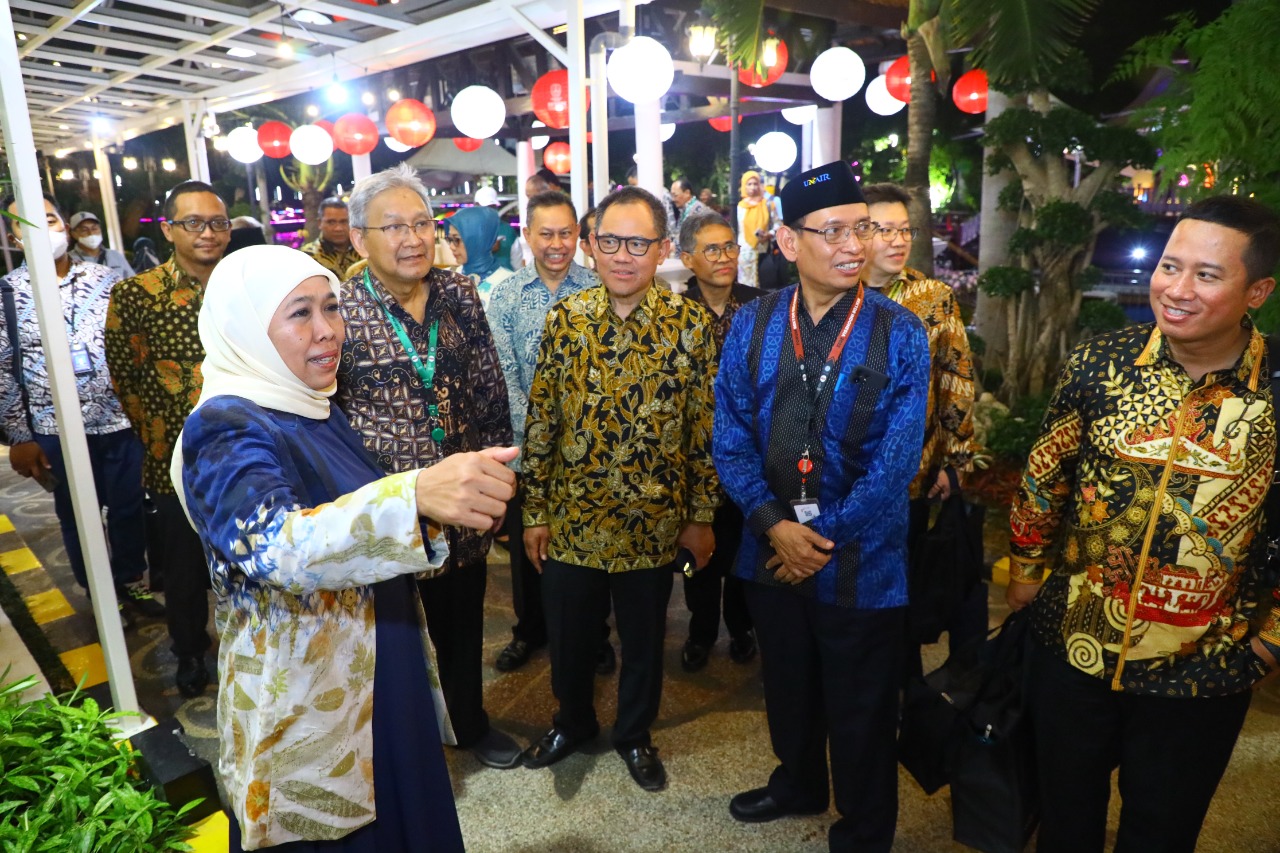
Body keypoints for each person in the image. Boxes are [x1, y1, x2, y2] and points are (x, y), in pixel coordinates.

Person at [174, 244, 518, 851]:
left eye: (331, 307)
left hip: (376, 661)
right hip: (307, 692)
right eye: (300, 313)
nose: (328, 329)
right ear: (244, 327)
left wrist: (426, 503)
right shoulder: (226, 426)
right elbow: (276, 547)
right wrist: (413, 494)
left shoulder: (310, 405)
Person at [1007, 194, 1280, 853]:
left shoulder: (1274, 387)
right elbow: (1046, 472)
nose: (1177, 290)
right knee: (1061, 820)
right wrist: (1027, 570)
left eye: (1207, 275)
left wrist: (1271, 642)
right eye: (1169, 266)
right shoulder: (1100, 362)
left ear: (1257, 291)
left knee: (1162, 832)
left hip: (1205, 666)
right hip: (1073, 647)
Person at [713, 161, 928, 852]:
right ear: (788, 241)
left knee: (863, 707)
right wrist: (773, 524)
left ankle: (864, 830)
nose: (853, 245)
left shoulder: (901, 331)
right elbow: (729, 434)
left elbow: (897, 463)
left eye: (861, 228)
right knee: (788, 685)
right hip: (770, 547)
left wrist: (818, 539)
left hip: (863, 558)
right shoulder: (752, 322)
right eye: (832, 231)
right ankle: (798, 782)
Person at [519, 186, 719, 792]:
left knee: (645, 640)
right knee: (570, 638)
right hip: (572, 516)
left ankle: (634, 734)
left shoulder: (691, 326)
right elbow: (543, 419)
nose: (623, 256)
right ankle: (572, 722)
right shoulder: (566, 319)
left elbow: (705, 430)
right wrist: (534, 510)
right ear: (592, 245)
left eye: (638, 243)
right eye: (610, 241)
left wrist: (700, 516)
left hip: (653, 520)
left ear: (662, 249)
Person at [336, 163, 523, 770]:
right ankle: (399, 745)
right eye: (394, 227)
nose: (413, 238)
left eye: (421, 224)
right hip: (387, 506)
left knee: (463, 621)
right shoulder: (337, 311)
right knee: (389, 633)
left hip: (462, 502)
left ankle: (469, 724)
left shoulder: (458, 293)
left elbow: (490, 387)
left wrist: (499, 483)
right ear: (360, 239)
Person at [0, 194, 159, 618]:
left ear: (64, 226)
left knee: (128, 507)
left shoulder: (106, 280)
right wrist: (19, 437)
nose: (40, 229)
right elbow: (3, 368)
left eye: (49, 218)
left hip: (118, 420)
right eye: (24, 223)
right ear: (14, 238)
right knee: (76, 513)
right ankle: (100, 594)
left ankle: (131, 581)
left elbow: (135, 345)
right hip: (54, 427)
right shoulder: (7, 294)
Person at [105, 180, 230, 698]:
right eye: (193, 222)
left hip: (246, 450)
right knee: (183, 567)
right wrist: (159, 435)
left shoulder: (243, 286)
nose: (207, 233)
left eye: (217, 223)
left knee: (254, 553)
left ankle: (258, 645)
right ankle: (189, 651)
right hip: (173, 455)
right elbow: (125, 379)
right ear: (169, 229)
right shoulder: (136, 295)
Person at [859, 183, 982, 676]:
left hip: (912, 476)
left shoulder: (933, 298)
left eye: (904, 230)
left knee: (901, 587)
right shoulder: (836, 294)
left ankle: (903, 685)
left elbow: (956, 379)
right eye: (884, 229)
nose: (898, 240)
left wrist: (956, 460)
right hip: (840, 478)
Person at [486, 190, 608, 675]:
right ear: (527, 235)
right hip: (526, 448)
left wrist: (579, 438)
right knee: (527, 550)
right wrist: (537, 441)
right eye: (546, 234)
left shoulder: (599, 288)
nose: (556, 244)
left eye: (565, 233)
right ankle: (529, 631)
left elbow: (608, 375)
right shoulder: (507, 295)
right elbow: (504, 375)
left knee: (591, 545)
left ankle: (595, 636)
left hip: (591, 448)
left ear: (579, 235)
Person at [675, 210, 760, 671]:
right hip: (695, 456)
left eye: (730, 246)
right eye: (712, 249)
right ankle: (701, 630)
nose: (725, 256)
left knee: (747, 546)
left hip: (751, 455)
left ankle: (742, 628)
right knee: (698, 551)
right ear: (688, 258)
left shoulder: (762, 307)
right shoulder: (673, 313)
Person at [441, 206, 512, 308]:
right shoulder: (444, 279)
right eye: (450, 239)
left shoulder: (510, 284)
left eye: (457, 240)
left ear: (478, 239)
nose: (451, 247)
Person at [301, 197, 362, 281]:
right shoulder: (307, 257)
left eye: (344, 221)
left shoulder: (365, 251)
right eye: (331, 222)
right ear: (319, 223)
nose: (338, 228)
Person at [736, 170, 777, 289]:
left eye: (755, 183)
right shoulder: (740, 207)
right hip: (744, 253)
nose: (753, 187)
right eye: (749, 184)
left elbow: (778, 225)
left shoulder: (767, 204)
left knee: (763, 288)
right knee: (745, 288)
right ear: (744, 186)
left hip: (763, 252)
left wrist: (769, 234)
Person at [68, 211, 135, 280]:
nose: (91, 233)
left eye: (94, 229)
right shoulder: (69, 260)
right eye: (84, 230)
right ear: (73, 234)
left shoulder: (115, 255)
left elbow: (133, 280)